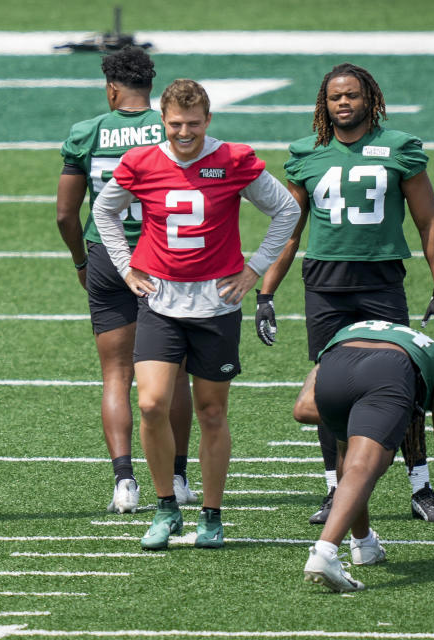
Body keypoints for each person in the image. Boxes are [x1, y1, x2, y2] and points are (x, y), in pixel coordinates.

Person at [93, 78, 300, 549]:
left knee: (210, 412)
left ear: (208, 120)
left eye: (193, 124)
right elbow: (105, 213)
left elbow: (286, 211)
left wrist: (254, 271)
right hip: (161, 302)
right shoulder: (141, 161)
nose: (184, 133)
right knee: (150, 404)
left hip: (216, 303)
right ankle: (166, 508)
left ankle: (211, 512)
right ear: (161, 122)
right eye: (174, 125)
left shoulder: (233, 159)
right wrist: (127, 269)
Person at [258, 62, 434, 525]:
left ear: (370, 98)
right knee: (330, 392)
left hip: (381, 282)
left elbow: (428, 222)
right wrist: (266, 293)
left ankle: (421, 487)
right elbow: (288, 230)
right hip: (325, 286)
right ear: (323, 105)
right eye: (334, 97)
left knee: (403, 386)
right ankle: (335, 490)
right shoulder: (306, 154)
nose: (343, 103)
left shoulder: (399, 149)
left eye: (351, 95)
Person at [56, 46, 195, 514]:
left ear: (110, 87)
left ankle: (124, 483)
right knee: (172, 375)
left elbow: (65, 214)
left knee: (115, 376)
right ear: (151, 88)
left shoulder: (87, 132)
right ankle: (175, 477)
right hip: (163, 258)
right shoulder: (170, 128)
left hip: (106, 258)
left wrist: (81, 261)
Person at [296, 320, 434, 593]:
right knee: (365, 464)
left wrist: (367, 425)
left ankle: (364, 545)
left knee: (350, 454)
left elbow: (302, 409)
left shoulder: (355, 332)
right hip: (389, 369)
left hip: (333, 361)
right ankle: (324, 552)